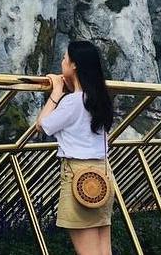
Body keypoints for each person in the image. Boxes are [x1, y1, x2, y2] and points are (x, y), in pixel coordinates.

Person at [35, 40, 115, 255]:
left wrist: (56, 92)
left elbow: (43, 125)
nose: (62, 62)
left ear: (74, 65)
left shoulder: (73, 102)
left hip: (78, 177)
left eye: (64, 58)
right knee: (103, 251)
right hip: (102, 175)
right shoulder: (99, 99)